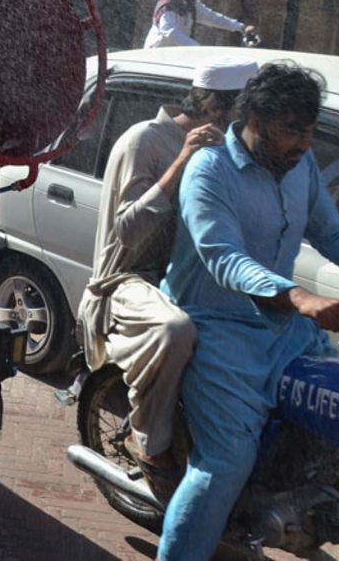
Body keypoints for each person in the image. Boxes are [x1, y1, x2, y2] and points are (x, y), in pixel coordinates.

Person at [157, 62, 339, 560]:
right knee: (226, 463)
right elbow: (223, 257)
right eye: (289, 131)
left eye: (309, 131)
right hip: (218, 330)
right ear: (251, 117)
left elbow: (334, 235)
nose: (302, 144)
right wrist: (299, 297)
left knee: (338, 414)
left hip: (286, 333)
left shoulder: (302, 167)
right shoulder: (209, 170)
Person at [76, 59, 257, 502]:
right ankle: (152, 446)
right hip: (126, 281)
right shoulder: (147, 140)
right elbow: (129, 232)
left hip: (183, 282)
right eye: (244, 111)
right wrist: (182, 159)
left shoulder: (227, 150)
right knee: (176, 331)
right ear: (215, 105)